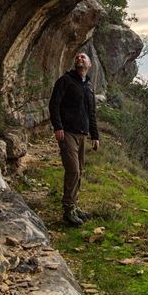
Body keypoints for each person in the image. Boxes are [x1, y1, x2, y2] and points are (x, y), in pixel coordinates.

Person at [48, 52, 99, 226]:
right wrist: (58, 127)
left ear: (90, 64)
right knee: (73, 170)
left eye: (83, 57)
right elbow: (54, 104)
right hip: (67, 132)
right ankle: (68, 209)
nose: (79, 59)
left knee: (80, 172)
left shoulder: (89, 86)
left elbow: (91, 112)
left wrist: (95, 136)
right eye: (77, 57)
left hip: (83, 133)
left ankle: (75, 206)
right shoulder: (65, 81)